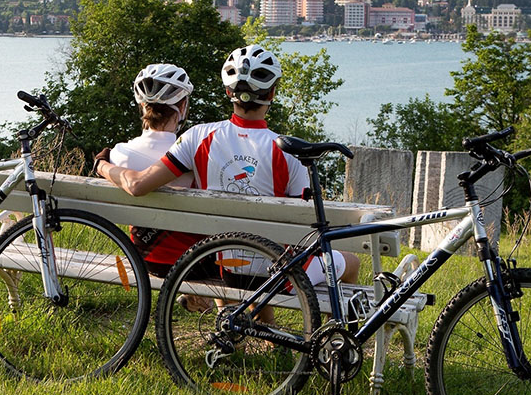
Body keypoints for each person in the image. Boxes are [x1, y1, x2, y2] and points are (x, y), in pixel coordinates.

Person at [95, 45, 360, 288]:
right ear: (272, 93)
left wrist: (103, 165)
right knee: (352, 261)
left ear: (228, 92)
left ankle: (261, 326)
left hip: (224, 265)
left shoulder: (198, 138)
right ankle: (334, 329)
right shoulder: (289, 152)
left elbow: (139, 184)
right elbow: (303, 226)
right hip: (277, 276)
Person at [94, 63, 204, 277]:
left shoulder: (119, 155)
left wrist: (101, 164)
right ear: (182, 107)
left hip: (145, 260)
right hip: (196, 262)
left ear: (143, 106)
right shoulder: (193, 155)